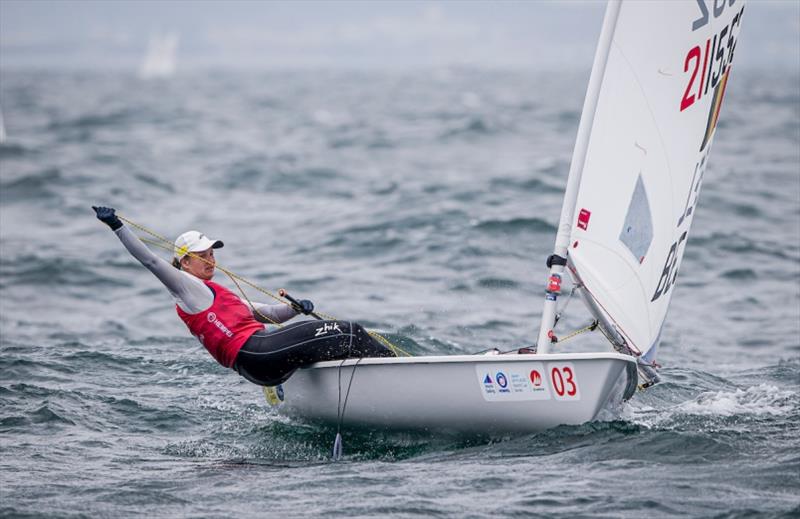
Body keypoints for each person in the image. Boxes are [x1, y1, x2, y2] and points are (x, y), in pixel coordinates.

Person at [92, 206, 395, 386]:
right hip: (256, 352)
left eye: (211, 253)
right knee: (349, 331)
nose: (210, 259)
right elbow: (150, 261)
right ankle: (399, 375)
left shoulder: (215, 294)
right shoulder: (185, 286)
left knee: (328, 347)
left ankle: (365, 388)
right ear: (185, 262)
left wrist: (295, 308)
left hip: (259, 365)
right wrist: (117, 226)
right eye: (202, 255)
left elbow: (268, 314)